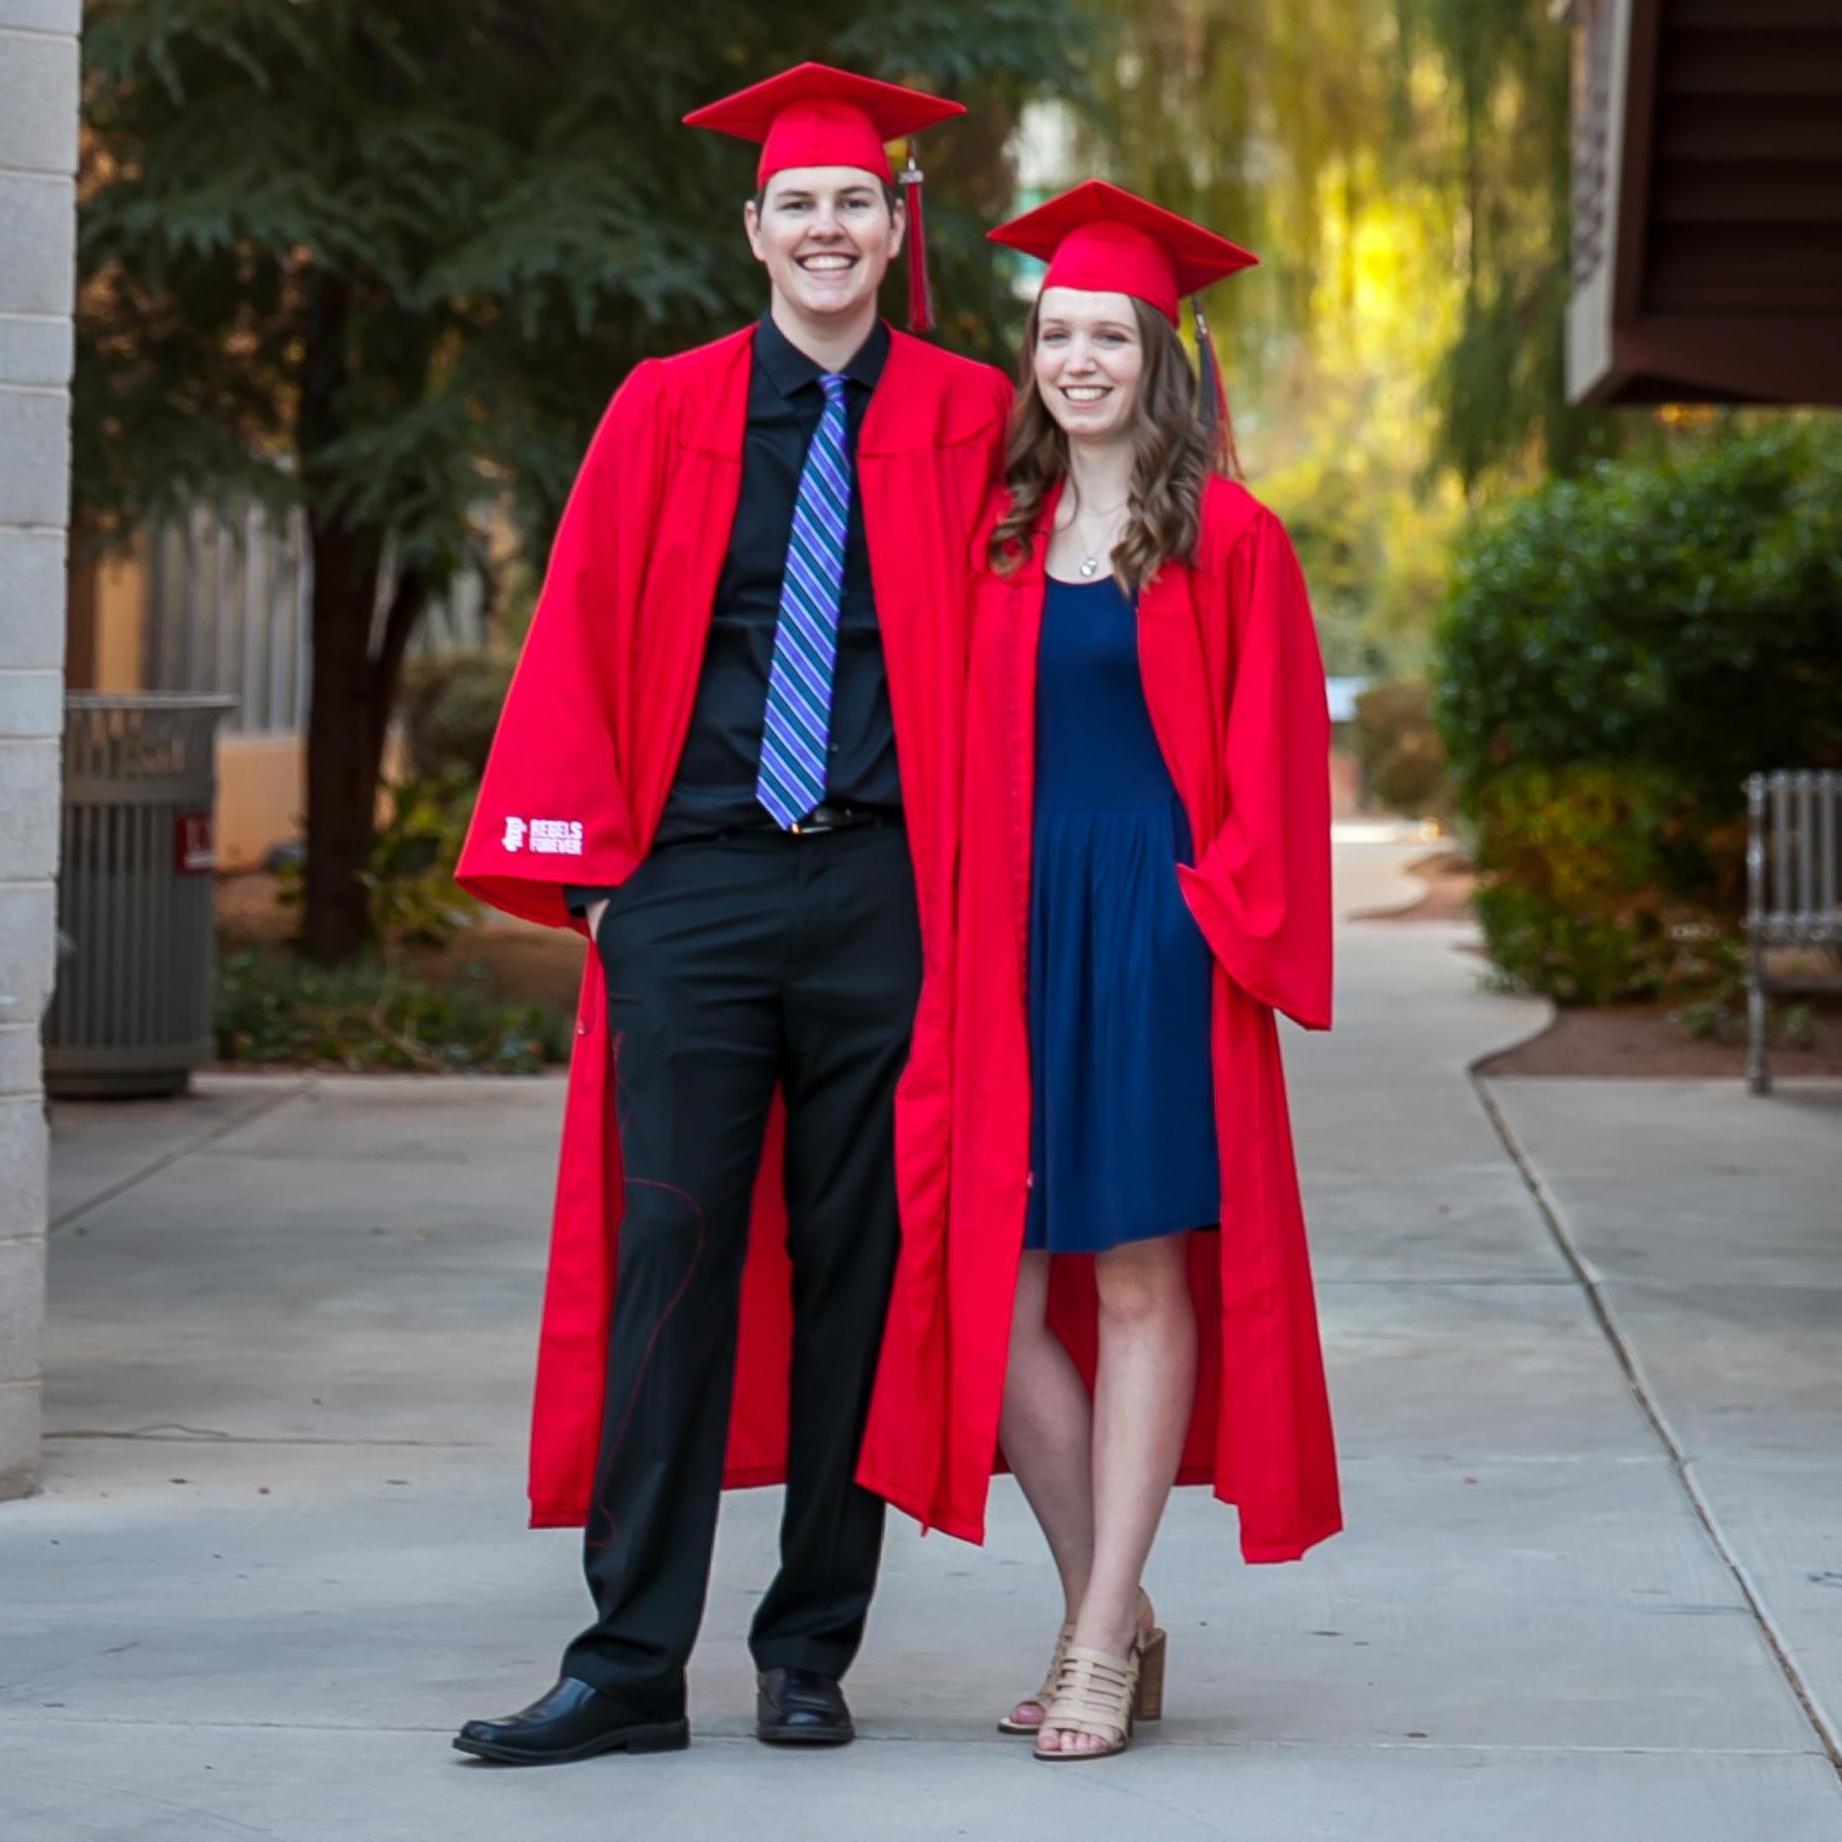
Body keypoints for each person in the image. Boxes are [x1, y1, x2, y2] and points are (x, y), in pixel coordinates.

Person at [448, 62, 1011, 1766]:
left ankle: (809, 1648)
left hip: (883, 892)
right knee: (672, 1254)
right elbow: (580, 630)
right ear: (750, 227)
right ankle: (628, 1661)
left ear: (893, 223)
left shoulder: (977, 410)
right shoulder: (664, 406)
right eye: (799, 205)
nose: (827, 227)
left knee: (858, 1259)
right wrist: (602, 884)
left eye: (856, 202)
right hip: (694, 883)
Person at [857, 180, 1340, 1761]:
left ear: (1158, 354)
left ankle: (1085, 1645)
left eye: (1105, 336)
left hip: (1147, 939)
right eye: (1054, 334)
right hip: (1003, 931)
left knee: (1135, 1280)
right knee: (984, 1302)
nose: (1076, 360)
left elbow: (1273, 764)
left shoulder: (1230, 537)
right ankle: (1112, 1616)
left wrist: (1224, 923)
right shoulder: (991, 532)